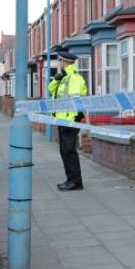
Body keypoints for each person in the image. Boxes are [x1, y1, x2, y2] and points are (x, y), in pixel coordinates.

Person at [48, 50, 88, 191]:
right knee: (65, 151)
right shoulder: (64, 78)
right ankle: (70, 179)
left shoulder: (75, 78)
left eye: (61, 61)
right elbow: (51, 90)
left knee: (69, 151)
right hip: (62, 119)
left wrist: (75, 117)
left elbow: (76, 98)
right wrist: (56, 79)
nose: (59, 63)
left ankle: (75, 182)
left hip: (69, 121)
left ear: (65, 62)